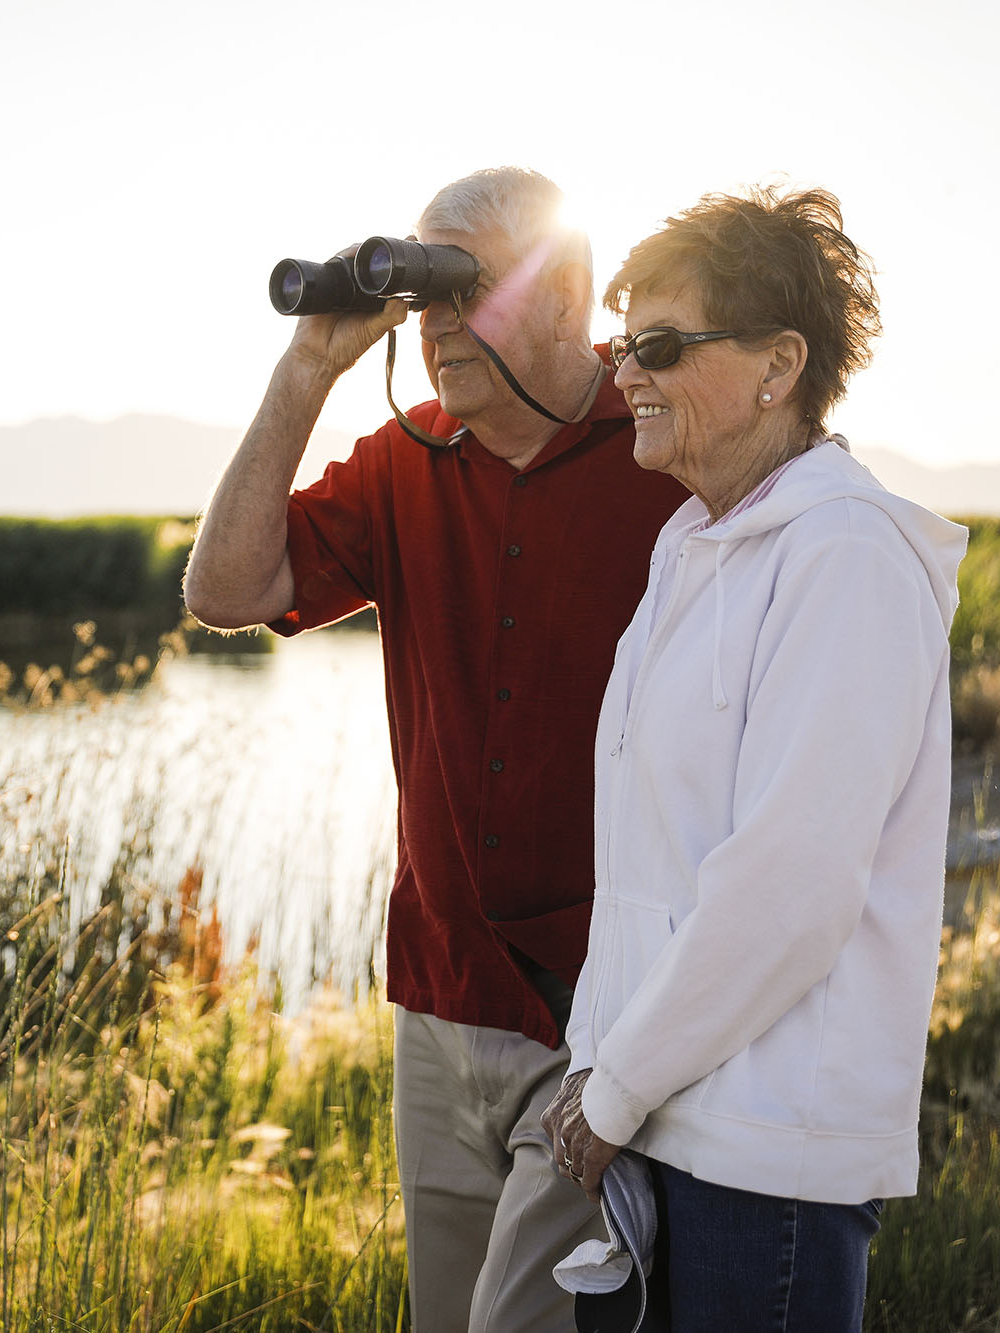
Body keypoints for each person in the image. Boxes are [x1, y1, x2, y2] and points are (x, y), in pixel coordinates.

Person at [184, 167, 689, 1332]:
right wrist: (307, 366)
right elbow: (223, 588)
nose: (435, 318)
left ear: (566, 291)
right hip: (434, 1005)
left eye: (460, 281)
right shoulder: (403, 460)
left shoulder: (664, 449)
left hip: (596, 1014)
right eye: (422, 285)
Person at [539, 186, 967, 1332]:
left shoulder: (846, 560)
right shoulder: (688, 550)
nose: (625, 370)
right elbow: (644, 862)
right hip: (658, 1125)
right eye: (622, 342)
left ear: (779, 364)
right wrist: (597, 1068)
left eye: (662, 345)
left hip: (763, 1159)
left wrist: (613, 1089)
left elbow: (789, 884)